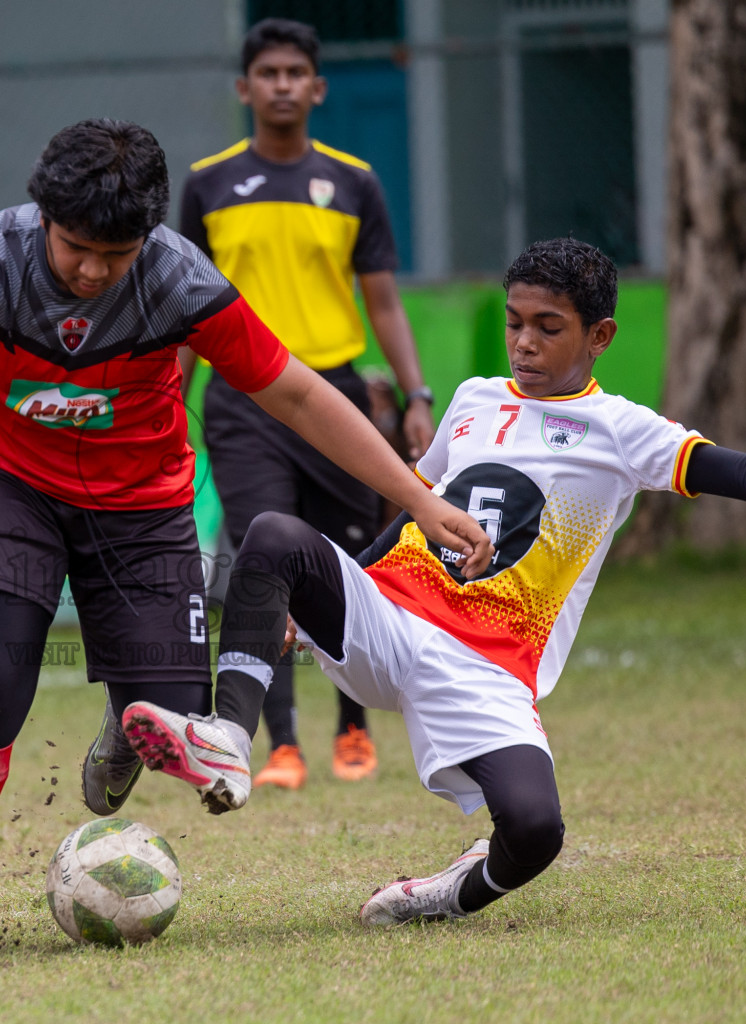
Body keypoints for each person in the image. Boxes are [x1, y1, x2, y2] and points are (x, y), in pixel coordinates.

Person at [121, 237, 746, 926]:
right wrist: (333, 588)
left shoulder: (622, 430)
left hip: (488, 667)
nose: (524, 343)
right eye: (514, 324)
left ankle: (441, 895)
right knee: (274, 536)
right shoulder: (472, 401)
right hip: (391, 617)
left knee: (536, 832)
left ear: (600, 334)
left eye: (548, 327)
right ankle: (227, 738)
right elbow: (413, 513)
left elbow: (727, 469)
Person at [0, 118, 493, 953]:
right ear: (45, 215)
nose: (92, 271)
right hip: (10, 485)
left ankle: (129, 719)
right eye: (76, 247)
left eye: (114, 256)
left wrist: (418, 498)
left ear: (147, 236)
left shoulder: (181, 282)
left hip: (142, 510)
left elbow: (296, 394)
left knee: (178, 724)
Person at [177, 18, 437, 790]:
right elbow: (187, 311)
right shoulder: (208, 183)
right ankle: (280, 742)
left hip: (336, 397)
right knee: (263, 551)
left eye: (297, 72)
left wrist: (414, 393)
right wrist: (168, 406)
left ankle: (353, 730)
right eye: (270, 72)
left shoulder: (355, 181)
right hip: (242, 399)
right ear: (245, 88)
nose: (284, 84)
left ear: (318, 88)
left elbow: (384, 303)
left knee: (350, 562)